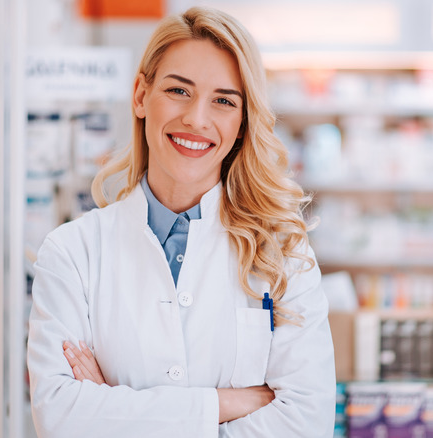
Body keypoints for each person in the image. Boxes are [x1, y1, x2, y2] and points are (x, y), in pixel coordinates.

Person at [27, 6, 336, 437]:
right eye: (178, 91)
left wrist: (112, 408)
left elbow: (307, 421)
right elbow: (60, 418)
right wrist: (226, 404)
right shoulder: (72, 252)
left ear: (243, 123)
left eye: (224, 101)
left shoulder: (282, 251)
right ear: (140, 95)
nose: (196, 118)